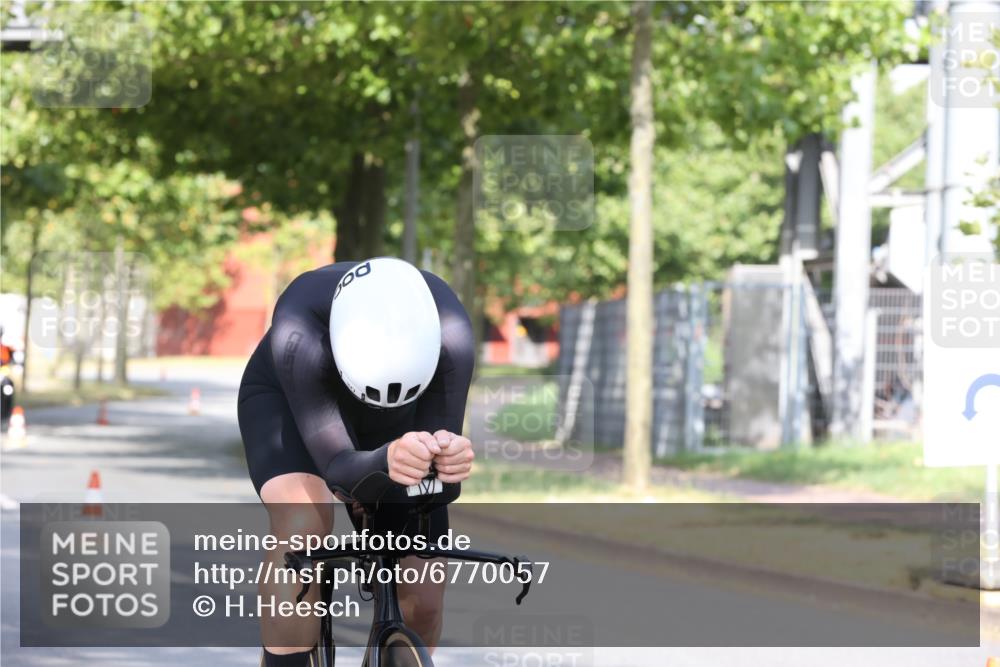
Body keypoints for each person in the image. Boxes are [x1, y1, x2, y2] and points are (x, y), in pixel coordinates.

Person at [237, 257, 476, 667]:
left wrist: (447, 464)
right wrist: (384, 461)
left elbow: (438, 489)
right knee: (303, 524)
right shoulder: (300, 320)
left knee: (423, 589)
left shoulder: (452, 331)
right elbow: (335, 465)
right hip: (293, 404)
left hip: (404, 424)